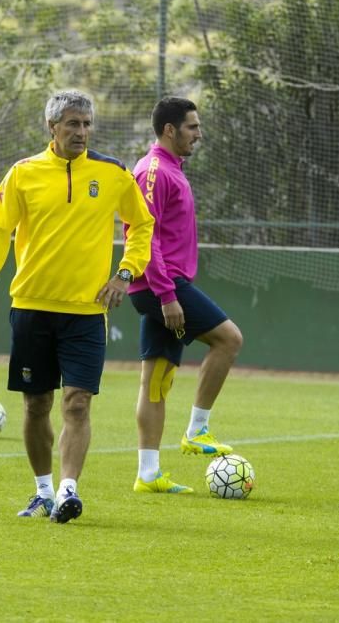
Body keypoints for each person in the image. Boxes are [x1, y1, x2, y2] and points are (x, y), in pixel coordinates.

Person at [0, 89, 154, 523]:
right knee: (36, 405)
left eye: (87, 124)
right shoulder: (23, 173)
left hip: (87, 312)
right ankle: (43, 491)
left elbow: (142, 224)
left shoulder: (112, 174)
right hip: (31, 307)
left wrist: (125, 274)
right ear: (52, 127)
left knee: (78, 403)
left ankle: (69, 490)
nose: (81, 132)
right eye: (72, 124)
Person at [128, 96, 243, 495]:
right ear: (169, 130)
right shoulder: (154, 171)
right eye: (193, 127)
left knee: (156, 380)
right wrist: (166, 295)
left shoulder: (172, 169)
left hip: (163, 285)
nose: (199, 134)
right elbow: (144, 237)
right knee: (229, 339)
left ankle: (148, 475)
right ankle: (197, 431)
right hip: (162, 285)